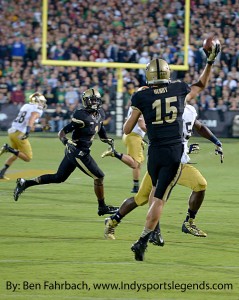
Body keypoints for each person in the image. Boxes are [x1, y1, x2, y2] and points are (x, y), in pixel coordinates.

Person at [123, 40, 221, 261]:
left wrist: (138, 110)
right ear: (167, 73)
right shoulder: (178, 89)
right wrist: (210, 62)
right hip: (174, 152)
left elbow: (128, 128)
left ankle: (150, 235)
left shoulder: (141, 96)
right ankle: (142, 240)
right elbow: (200, 85)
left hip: (154, 152)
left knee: (154, 193)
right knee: (159, 199)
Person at [104, 104, 224, 244]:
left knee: (200, 184)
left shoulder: (189, 110)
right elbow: (160, 137)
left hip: (179, 164)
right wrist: (186, 149)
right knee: (141, 198)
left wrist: (216, 141)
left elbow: (199, 127)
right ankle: (112, 222)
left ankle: (188, 222)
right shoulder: (164, 110)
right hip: (162, 163)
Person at [13, 88, 119, 216]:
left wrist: (106, 139)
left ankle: (25, 183)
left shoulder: (100, 113)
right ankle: (102, 207)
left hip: (75, 151)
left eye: (96, 100)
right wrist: (65, 141)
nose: (94, 103)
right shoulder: (81, 115)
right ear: (86, 101)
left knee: (59, 177)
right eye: (92, 100)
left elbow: (100, 127)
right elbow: (62, 132)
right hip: (78, 152)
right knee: (99, 177)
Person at [101, 91, 147, 193]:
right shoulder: (140, 107)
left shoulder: (134, 106)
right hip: (133, 137)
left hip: (133, 136)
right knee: (135, 163)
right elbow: (142, 125)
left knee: (138, 164)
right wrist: (155, 133)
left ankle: (136, 186)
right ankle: (114, 153)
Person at [0, 92, 48, 179]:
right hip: (19, 134)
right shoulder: (37, 109)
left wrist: (41, 129)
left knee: (17, 154)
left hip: (12, 132)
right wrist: (27, 132)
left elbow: (30, 125)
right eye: (41, 101)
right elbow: (32, 119)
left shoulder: (26, 106)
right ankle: (8, 148)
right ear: (35, 101)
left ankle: (1, 173)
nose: (42, 103)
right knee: (27, 158)